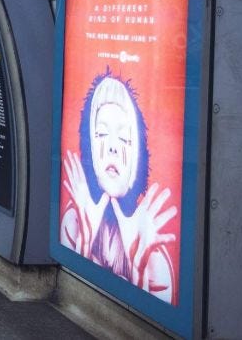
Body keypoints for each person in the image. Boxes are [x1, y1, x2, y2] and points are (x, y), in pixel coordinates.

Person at [60, 71, 178, 303]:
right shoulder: (74, 221)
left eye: (124, 138)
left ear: (139, 156)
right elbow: (77, 296)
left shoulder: (152, 249)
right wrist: (85, 237)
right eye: (101, 134)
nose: (112, 147)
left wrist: (140, 262)